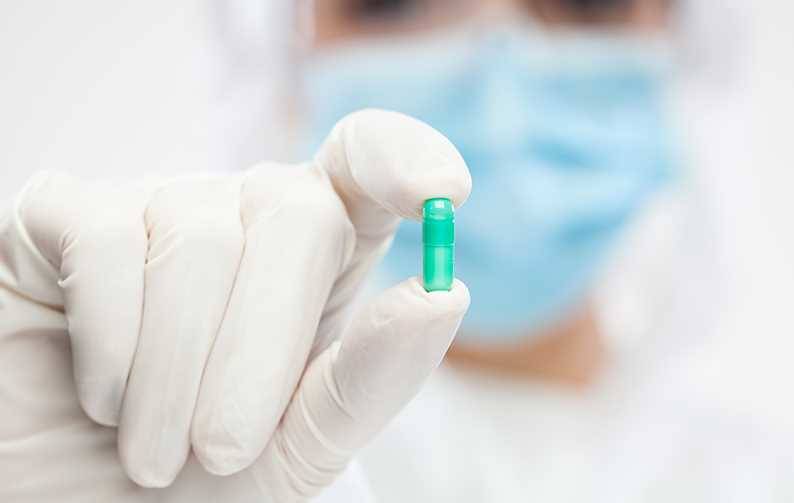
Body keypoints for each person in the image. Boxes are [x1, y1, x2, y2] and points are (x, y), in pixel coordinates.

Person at [1, 1, 792, 503]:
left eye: (587, 0)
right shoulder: (204, 454)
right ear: (282, 54)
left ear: (689, 44)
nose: (499, 68)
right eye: (392, 1)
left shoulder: (759, 476)